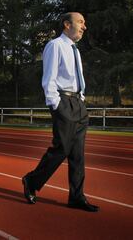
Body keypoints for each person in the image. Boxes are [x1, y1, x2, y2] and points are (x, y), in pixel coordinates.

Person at [22, 12, 99, 212]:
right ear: (67, 24)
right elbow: (49, 78)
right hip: (63, 102)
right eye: (81, 22)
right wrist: (55, 104)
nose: (84, 27)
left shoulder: (75, 50)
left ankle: (76, 197)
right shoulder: (55, 45)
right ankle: (32, 180)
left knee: (77, 155)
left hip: (78, 103)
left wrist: (81, 98)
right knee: (61, 149)